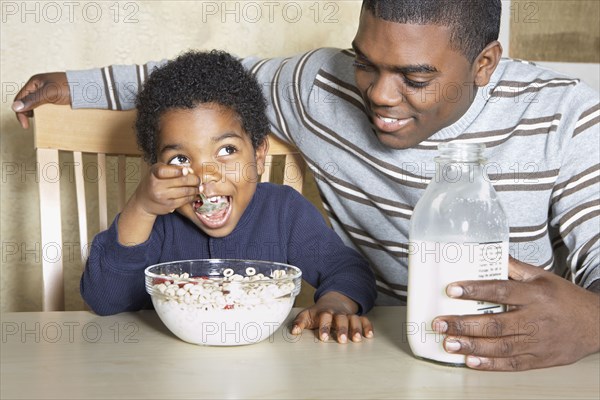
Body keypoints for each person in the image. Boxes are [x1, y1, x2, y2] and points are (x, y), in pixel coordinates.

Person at [12, 0, 599, 371]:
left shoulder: (569, 115)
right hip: (371, 355)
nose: (378, 95)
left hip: (510, 359)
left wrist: (592, 321)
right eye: (365, 62)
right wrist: (69, 84)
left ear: (485, 64)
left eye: (416, 77)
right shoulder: (320, 86)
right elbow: (200, 89)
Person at [79, 49, 377, 344]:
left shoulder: (284, 213)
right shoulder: (157, 224)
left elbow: (347, 269)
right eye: (180, 159)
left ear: (259, 155)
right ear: (156, 169)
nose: (205, 174)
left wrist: (336, 304)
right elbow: (106, 300)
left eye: (227, 151)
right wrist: (141, 209)